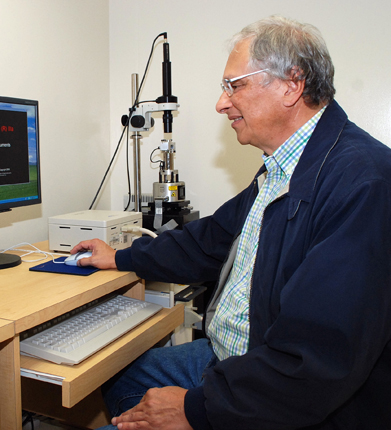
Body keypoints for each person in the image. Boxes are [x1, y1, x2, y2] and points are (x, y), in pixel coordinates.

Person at [72, 16, 391, 430]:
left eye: (234, 85)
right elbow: (210, 240)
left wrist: (194, 410)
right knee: (123, 374)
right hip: (235, 358)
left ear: (291, 85)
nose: (221, 103)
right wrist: (121, 256)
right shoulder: (285, 168)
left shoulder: (363, 184)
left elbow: (313, 361)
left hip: (290, 396)